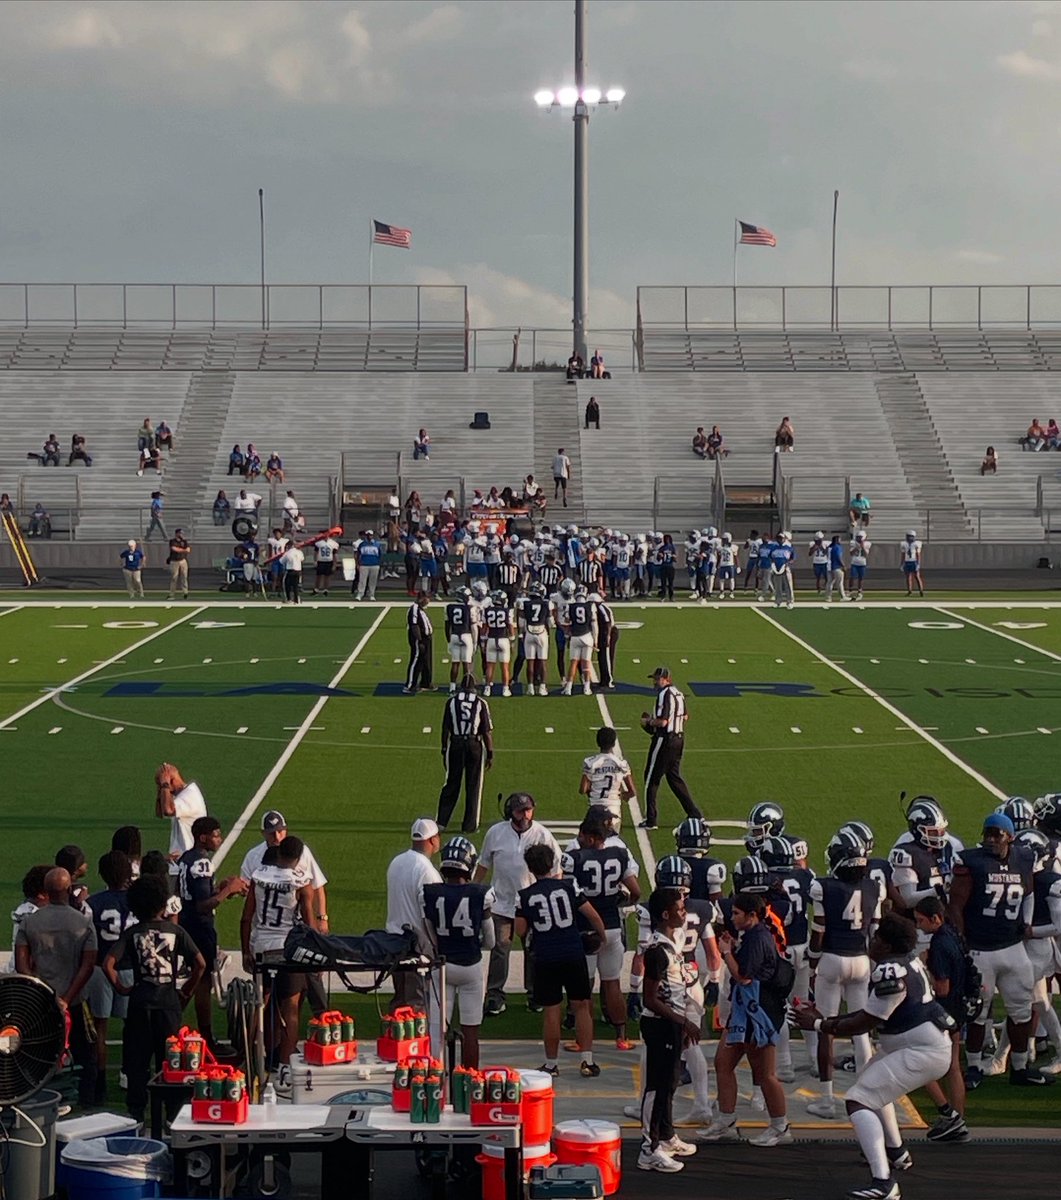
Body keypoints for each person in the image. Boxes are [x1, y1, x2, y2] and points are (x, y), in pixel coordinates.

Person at [792, 914, 955, 1200]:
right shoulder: (907, 963)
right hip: (915, 1044)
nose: (873, 941)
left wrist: (819, 1024)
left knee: (858, 1099)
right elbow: (867, 1014)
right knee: (873, 1086)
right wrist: (827, 1019)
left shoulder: (891, 971)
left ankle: (884, 1182)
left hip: (921, 1050)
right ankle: (897, 1152)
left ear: (888, 945)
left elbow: (864, 1023)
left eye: (878, 938)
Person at [947, 812, 1049, 1087]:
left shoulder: (1023, 857)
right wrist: (961, 940)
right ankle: (975, 1067)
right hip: (980, 949)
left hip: (1013, 947)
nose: (991, 840)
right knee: (978, 1012)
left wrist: (1026, 923)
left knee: (1022, 1010)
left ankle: (1018, 1067)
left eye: (997, 835)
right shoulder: (972, 862)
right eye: (987, 834)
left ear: (1010, 837)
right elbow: (955, 904)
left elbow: (1028, 891)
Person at [103, 874, 204, 1123]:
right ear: (163, 903)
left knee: (137, 1062)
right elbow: (200, 964)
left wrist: (122, 989)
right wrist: (187, 991)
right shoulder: (175, 931)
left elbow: (109, 964)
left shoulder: (133, 933)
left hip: (139, 1003)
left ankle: (136, 1114)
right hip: (168, 1004)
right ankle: (171, 1114)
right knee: (169, 1062)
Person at [700, 891, 792, 1147]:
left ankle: (780, 1126)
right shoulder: (753, 935)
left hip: (757, 1012)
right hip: (746, 1010)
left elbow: (744, 976)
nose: (732, 917)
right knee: (723, 1062)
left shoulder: (758, 938)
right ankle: (725, 1120)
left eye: (736, 913)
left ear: (752, 915)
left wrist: (726, 952)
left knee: (765, 1074)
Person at [804, 828, 884, 1119]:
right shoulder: (875, 886)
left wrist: (813, 961)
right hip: (861, 959)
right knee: (860, 1027)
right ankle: (868, 1093)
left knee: (825, 1027)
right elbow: (875, 932)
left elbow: (819, 930)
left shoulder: (823, 886)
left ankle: (827, 1099)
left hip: (832, 958)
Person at [515, 842, 606, 1079]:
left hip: (546, 956)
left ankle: (551, 1064)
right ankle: (587, 1061)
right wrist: (602, 936)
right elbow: (592, 915)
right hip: (573, 952)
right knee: (582, 1006)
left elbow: (521, 930)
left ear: (530, 868)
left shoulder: (525, 895)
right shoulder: (569, 886)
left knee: (551, 1011)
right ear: (552, 862)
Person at [15, 867, 97, 1103]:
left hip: (41, 1002)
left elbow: (22, 965)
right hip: (75, 1001)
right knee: (85, 1053)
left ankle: (39, 1097)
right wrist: (67, 997)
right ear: (69, 889)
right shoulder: (82, 922)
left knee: (38, 1051)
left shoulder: (30, 922)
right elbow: (88, 964)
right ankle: (87, 1101)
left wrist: (41, 991)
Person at [476, 794, 560, 1016]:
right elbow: (484, 864)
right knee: (499, 949)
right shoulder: (495, 833)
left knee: (533, 950)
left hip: (531, 904)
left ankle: (534, 994)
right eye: (519, 811)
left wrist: (548, 897)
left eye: (528, 810)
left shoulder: (543, 834)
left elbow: (556, 871)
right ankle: (495, 995)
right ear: (509, 812)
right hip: (501, 903)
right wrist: (473, 891)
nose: (525, 815)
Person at [565, 810, 641, 1052]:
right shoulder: (619, 854)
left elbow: (567, 894)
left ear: (589, 837)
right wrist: (621, 902)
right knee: (612, 984)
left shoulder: (574, 858)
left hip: (585, 930)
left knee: (582, 988)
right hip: (612, 927)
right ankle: (622, 1037)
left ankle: (583, 1040)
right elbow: (636, 892)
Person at [240, 836, 316, 1077]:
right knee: (290, 1008)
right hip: (288, 948)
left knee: (259, 1004)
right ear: (298, 857)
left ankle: (249, 1057)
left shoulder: (258, 877)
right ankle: (284, 1066)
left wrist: (245, 950)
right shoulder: (302, 882)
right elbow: (309, 922)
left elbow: (245, 918)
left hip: (262, 945)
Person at [637, 886, 701, 1172]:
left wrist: (682, 1021)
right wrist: (683, 1021)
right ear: (665, 914)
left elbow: (675, 989)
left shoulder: (671, 941)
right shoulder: (656, 951)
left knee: (670, 1082)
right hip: (660, 1024)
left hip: (672, 1023)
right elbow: (649, 998)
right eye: (680, 908)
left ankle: (666, 1134)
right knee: (657, 1086)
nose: (684, 912)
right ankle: (648, 1149)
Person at [422, 837, 495, 1069]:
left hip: (441, 965)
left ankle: (434, 1082)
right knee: (470, 1032)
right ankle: (470, 1079)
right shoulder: (480, 893)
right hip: (470, 967)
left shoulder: (430, 893)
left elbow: (428, 934)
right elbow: (491, 941)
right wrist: (475, 944)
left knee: (437, 1030)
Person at [178, 816, 249, 1046]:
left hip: (188, 923)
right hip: (200, 926)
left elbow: (196, 894)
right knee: (203, 980)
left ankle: (175, 1016)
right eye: (215, 835)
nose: (219, 839)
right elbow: (202, 905)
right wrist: (228, 890)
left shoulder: (186, 858)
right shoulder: (201, 862)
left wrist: (218, 888)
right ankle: (205, 1034)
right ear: (203, 837)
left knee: (198, 976)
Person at [913, 896, 971, 1142]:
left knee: (920, 1062)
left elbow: (942, 988)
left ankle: (948, 1113)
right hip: (959, 1008)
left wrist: (925, 969)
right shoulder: (953, 933)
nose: (918, 926)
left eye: (921, 921)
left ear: (935, 918)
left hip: (942, 1011)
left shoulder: (939, 943)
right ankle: (958, 1118)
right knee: (954, 1067)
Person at [85, 851, 136, 1104]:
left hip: (98, 968)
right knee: (132, 1026)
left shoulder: (93, 903)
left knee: (100, 1029)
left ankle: (100, 1081)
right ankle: (129, 1074)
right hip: (127, 967)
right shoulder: (135, 901)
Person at [385, 818, 442, 1010]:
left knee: (399, 1000)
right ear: (432, 840)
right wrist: (434, 947)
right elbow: (429, 917)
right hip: (417, 946)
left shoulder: (396, 862)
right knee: (416, 1005)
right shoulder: (427, 872)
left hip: (393, 941)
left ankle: (395, 1038)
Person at [639, 666, 701, 830]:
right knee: (674, 778)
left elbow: (663, 721)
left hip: (664, 740)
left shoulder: (664, 694)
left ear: (666, 679)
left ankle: (651, 819)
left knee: (651, 778)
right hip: (679, 739)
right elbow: (686, 716)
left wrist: (648, 722)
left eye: (657, 679)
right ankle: (694, 813)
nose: (654, 682)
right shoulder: (679, 694)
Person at [436, 674, 493, 831]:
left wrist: (443, 749)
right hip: (474, 744)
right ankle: (470, 824)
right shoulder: (481, 703)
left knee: (451, 783)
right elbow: (487, 732)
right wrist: (490, 752)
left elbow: (445, 728)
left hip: (456, 743)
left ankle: (441, 822)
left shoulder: (451, 702)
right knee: (473, 785)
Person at [154, 762, 207, 881]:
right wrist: (162, 787)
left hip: (188, 864)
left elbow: (168, 810)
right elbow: (160, 812)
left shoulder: (190, 796)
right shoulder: (181, 795)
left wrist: (164, 784)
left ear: (170, 781)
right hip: (182, 862)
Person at [404, 590, 434, 693]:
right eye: (427, 598)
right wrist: (419, 640)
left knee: (426, 661)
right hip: (419, 639)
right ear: (422, 598)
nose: (428, 600)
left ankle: (425, 682)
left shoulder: (421, 609)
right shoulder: (414, 609)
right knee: (416, 661)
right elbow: (414, 625)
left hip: (426, 638)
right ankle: (410, 685)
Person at [354, 529, 382, 600]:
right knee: (362, 580)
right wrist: (358, 564)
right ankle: (360, 594)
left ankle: (371, 594)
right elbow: (358, 555)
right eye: (368, 535)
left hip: (374, 564)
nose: (369, 536)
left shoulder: (377, 544)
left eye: (371, 535)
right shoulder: (362, 544)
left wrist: (379, 563)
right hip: (364, 564)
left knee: (373, 581)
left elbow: (380, 555)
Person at [311, 531, 340, 596]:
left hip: (329, 561)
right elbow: (315, 553)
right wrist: (315, 561)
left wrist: (335, 564)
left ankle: (325, 590)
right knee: (319, 576)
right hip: (321, 561)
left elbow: (335, 554)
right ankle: (316, 589)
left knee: (327, 576)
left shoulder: (333, 543)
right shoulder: (318, 543)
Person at [167, 528, 191, 599]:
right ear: (177, 534)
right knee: (174, 577)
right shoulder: (172, 541)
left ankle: (185, 592)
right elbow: (175, 549)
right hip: (175, 561)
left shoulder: (184, 541)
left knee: (184, 576)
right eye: (180, 533)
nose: (181, 535)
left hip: (183, 560)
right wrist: (184, 550)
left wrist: (183, 550)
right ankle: (172, 593)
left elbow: (188, 550)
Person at [899, 529, 924, 597]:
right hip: (907, 561)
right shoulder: (904, 544)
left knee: (917, 576)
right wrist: (902, 563)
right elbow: (903, 554)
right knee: (908, 577)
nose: (909, 538)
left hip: (914, 561)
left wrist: (918, 563)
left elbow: (918, 554)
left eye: (910, 536)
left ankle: (921, 590)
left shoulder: (916, 544)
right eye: (908, 536)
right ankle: (909, 591)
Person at [281, 539, 304, 604]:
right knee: (295, 586)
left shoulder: (287, 553)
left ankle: (289, 599)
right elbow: (302, 560)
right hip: (298, 570)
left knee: (287, 585)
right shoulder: (299, 552)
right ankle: (296, 599)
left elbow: (281, 561)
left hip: (290, 570)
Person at [826, 533, 847, 602]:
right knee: (840, 582)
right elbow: (838, 557)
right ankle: (843, 596)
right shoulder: (837, 547)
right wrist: (843, 565)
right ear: (837, 540)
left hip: (829, 566)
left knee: (830, 582)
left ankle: (828, 597)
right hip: (836, 566)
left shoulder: (829, 547)